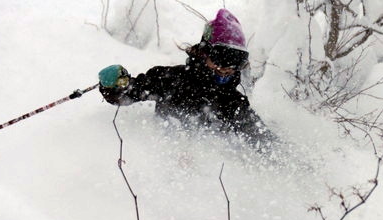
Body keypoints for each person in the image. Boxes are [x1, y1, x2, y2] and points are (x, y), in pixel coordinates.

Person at [98, 9, 274, 148]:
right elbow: (130, 93)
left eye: (237, 60)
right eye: (222, 56)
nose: (227, 67)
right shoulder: (171, 79)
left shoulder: (232, 102)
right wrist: (114, 86)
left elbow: (264, 143)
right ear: (204, 51)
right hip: (165, 163)